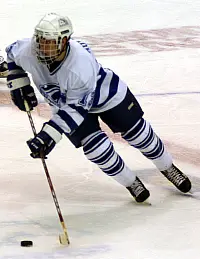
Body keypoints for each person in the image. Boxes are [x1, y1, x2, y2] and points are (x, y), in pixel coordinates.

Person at [6, 13, 191, 203]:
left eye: (50, 42)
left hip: (106, 96)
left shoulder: (80, 65)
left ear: (64, 41)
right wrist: (17, 80)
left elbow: (76, 109)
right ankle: (131, 182)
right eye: (40, 39)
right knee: (97, 150)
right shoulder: (28, 50)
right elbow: (11, 55)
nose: (43, 46)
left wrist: (48, 135)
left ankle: (167, 167)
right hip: (65, 104)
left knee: (140, 135)